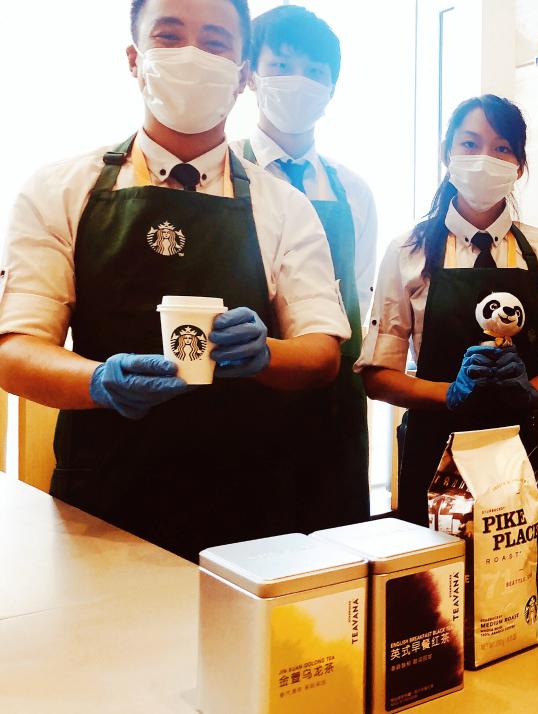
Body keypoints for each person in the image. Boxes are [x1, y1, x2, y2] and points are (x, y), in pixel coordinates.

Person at [0, 0, 350, 561]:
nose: (192, 55)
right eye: (169, 36)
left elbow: (322, 353)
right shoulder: (61, 190)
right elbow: (16, 351)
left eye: (215, 41)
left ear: (242, 74)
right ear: (134, 59)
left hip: (247, 509)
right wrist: (98, 381)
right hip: (102, 505)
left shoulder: (284, 206)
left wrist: (266, 354)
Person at [357, 95, 538, 525]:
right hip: (432, 447)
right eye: (469, 144)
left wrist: (530, 392)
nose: (484, 158)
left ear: (519, 166)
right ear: (447, 154)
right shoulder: (407, 252)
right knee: (437, 567)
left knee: (516, 562)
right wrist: (449, 394)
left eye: (502, 148)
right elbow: (377, 377)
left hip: (520, 449)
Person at [234, 5, 377, 527]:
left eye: (314, 72)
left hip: (333, 405)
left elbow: (359, 289)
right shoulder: (224, 172)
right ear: (250, 75)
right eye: (281, 65)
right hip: (243, 396)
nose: (298, 81)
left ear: (331, 89)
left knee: (335, 548)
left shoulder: (352, 190)